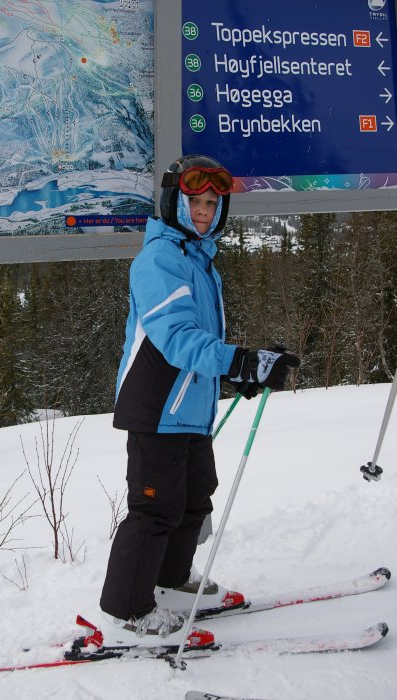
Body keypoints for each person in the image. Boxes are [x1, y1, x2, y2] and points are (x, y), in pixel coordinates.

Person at [99, 154, 300, 645]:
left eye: (212, 202)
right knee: (154, 509)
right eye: (196, 202)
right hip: (156, 409)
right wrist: (241, 362)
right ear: (175, 203)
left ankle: (170, 583)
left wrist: (237, 374)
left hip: (188, 410)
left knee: (193, 499)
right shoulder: (159, 260)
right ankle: (127, 608)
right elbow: (178, 339)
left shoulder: (199, 261)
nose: (205, 210)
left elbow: (201, 346)